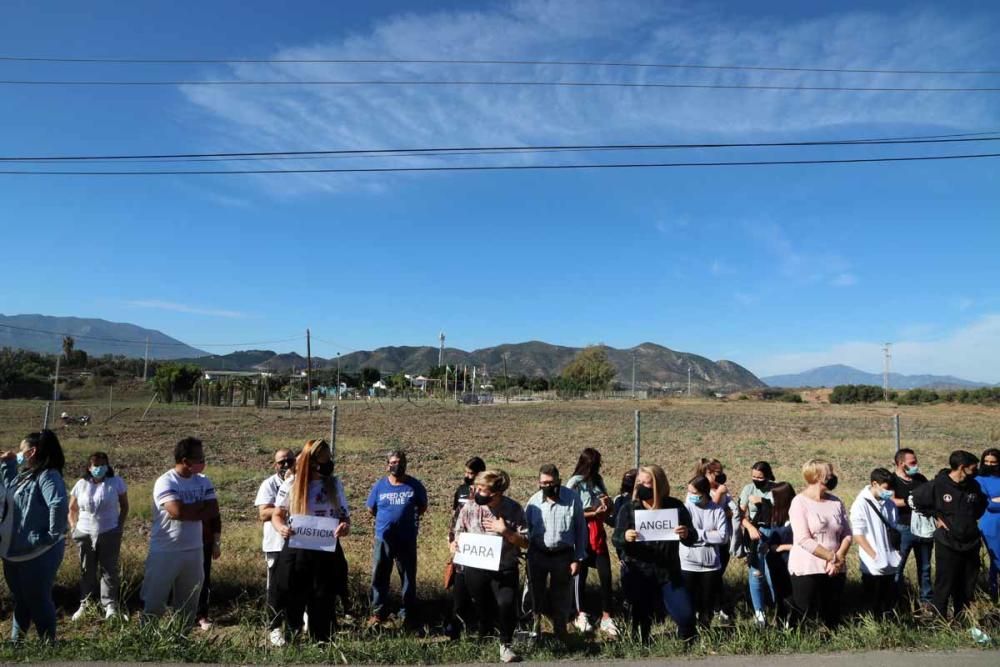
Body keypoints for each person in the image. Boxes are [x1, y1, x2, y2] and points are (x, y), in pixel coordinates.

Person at [272, 439, 351, 643]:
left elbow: (345, 517)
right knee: (293, 594)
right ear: (311, 460)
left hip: (326, 549)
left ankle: (321, 640)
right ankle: (292, 635)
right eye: (323, 458)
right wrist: (281, 527)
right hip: (298, 550)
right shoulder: (292, 483)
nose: (328, 462)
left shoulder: (334, 484)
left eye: (328, 458)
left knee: (323, 596)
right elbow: (277, 514)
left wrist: (344, 526)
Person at [612, 464, 697, 644]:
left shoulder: (675, 506)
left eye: (647, 483)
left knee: (686, 615)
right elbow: (616, 538)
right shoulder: (628, 509)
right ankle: (641, 650)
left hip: (669, 573)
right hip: (639, 572)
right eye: (639, 482)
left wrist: (686, 533)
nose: (641, 486)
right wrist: (625, 536)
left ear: (658, 484)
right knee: (640, 622)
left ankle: (688, 646)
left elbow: (692, 537)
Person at [141, 437, 219, 628]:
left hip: (194, 550)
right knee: (155, 600)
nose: (203, 462)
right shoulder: (166, 481)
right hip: (166, 551)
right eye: (199, 458)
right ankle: (146, 639)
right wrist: (198, 508)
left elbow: (213, 510)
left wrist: (189, 510)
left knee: (189, 602)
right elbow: (177, 512)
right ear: (185, 461)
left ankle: (180, 639)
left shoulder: (203, 480)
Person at [452, 469, 528, 663]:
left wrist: (506, 532)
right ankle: (484, 638)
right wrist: (455, 544)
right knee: (483, 607)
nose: (477, 492)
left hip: (505, 568)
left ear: (496, 493)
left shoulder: (514, 509)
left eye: (482, 490)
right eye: (477, 488)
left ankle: (505, 645)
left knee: (506, 604)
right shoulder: (469, 507)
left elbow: (526, 542)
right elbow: (458, 532)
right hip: (476, 567)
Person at [1, 430, 68, 641]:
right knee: (21, 599)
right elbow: (9, 490)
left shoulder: (48, 475)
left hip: (38, 551)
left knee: (37, 598)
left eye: (21, 450)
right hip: (13, 551)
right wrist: (9, 464)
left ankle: (48, 644)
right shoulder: (25, 476)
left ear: (32, 452)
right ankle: (16, 642)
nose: (19, 453)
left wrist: (49, 535)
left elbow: (57, 503)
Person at [912, 450, 988, 619]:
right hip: (947, 542)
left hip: (970, 542)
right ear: (962, 467)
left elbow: (981, 505)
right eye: (973, 468)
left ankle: (962, 619)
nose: (976, 471)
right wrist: (936, 516)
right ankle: (939, 620)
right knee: (944, 584)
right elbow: (916, 500)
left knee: (967, 584)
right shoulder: (938, 485)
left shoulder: (973, 486)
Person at [366, 449, 428, 629]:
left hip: (406, 538)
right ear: (387, 465)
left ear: (406, 464)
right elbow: (371, 509)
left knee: (408, 577)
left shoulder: (414, 485)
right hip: (384, 538)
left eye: (400, 462)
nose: (396, 465)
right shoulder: (380, 486)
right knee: (379, 575)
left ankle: (407, 613)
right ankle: (378, 612)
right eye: (393, 462)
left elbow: (422, 507)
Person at [525, 464, 587, 641]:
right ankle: (535, 632)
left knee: (561, 596)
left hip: (563, 555)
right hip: (538, 554)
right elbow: (524, 530)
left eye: (550, 482)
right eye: (543, 482)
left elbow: (581, 530)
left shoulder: (572, 499)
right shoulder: (534, 501)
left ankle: (561, 632)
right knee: (535, 594)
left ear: (559, 481)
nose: (546, 486)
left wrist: (578, 558)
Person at [788, 459, 851, 628]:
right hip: (808, 568)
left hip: (835, 568)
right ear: (817, 476)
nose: (833, 477)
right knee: (804, 613)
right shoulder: (799, 502)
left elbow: (847, 534)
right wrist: (831, 557)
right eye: (829, 474)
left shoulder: (836, 502)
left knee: (832, 613)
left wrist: (839, 557)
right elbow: (803, 539)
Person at [69, 451, 129, 621]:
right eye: (96, 465)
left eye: (103, 464)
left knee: (109, 569)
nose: (100, 468)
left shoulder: (116, 482)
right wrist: (74, 527)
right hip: (84, 532)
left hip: (109, 531)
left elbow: (124, 506)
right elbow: (72, 508)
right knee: (86, 569)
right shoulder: (81, 484)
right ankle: (85, 603)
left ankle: (109, 605)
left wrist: (119, 525)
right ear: (89, 467)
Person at [566, 448, 617, 636]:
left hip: (598, 534)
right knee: (580, 576)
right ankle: (580, 614)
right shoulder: (574, 483)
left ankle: (607, 616)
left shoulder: (598, 480)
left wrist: (607, 504)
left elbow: (607, 509)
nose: (596, 468)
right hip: (581, 534)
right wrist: (591, 513)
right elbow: (569, 512)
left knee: (605, 576)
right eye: (593, 465)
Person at [255, 447, 297, 643]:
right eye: (281, 461)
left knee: (298, 587)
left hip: (299, 545)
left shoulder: (301, 482)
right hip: (276, 544)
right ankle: (274, 627)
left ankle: (295, 625)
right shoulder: (269, 484)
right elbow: (263, 513)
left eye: (290, 460)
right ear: (275, 464)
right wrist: (284, 508)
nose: (286, 464)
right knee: (276, 589)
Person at [849, 468, 902, 617]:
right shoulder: (860, 504)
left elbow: (893, 526)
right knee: (873, 599)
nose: (890, 492)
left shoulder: (889, 504)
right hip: (873, 562)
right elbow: (858, 535)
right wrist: (874, 556)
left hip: (890, 558)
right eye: (886, 488)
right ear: (874, 484)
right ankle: (874, 623)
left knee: (888, 597)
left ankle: (887, 620)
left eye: (891, 489)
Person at [680, 475, 730, 628]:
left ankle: (705, 630)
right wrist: (710, 534)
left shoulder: (717, 511)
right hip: (688, 562)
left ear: (704, 492)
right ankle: (688, 632)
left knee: (706, 603)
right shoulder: (685, 509)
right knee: (688, 601)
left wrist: (697, 534)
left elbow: (723, 537)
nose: (691, 496)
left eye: (694, 493)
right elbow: (682, 534)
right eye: (689, 492)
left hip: (711, 564)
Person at [446, 456, 487, 639]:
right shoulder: (461, 490)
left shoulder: (487, 492)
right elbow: (455, 516)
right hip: (463, 547)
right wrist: (451, 539)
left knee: (481, 591)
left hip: (482, 548)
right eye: (466, 472)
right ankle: (455, 631)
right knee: (459, 589)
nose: (467, 476)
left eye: (471, 473)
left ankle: (483, 630)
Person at [890, 447, 933, 608]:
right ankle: (899, 600)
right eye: (912, 462)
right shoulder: (892, 480)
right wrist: (911, 501)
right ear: (901, 463)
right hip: (903, 527)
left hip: (924, 527)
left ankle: (927, 601)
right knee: (897, 566)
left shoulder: (920, 478)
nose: (916, 465)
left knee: (925, 567)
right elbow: (892, 500)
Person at [694, 458, 736, 620]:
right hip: (707, 541)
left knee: (717, 576)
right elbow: (709, 512)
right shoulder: (700, 492)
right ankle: (710, 608)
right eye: (717, 474)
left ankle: (718, 607)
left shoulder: (721, 489)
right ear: (706, 473)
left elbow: (730, 510)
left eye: (721, 472)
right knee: (710, 577)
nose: (720, 476)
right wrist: (719, 495)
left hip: (722, 540)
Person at [738, 461, 777, 625]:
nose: (756, 479)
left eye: (760, 477)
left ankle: (779, 608)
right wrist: (749, 528)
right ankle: (759, 612)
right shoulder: (748, 489)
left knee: (773, 574)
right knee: (756, 573)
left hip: (773, 534)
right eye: (753, 476)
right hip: (754, 535)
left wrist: (762, 501)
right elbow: (739, 513)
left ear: (767, 476)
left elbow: (781, 512)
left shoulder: (776, 489)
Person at [763, 481, 795, 625]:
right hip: (775, 561)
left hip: (789, 561)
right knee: (779, 594)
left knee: (789, 593)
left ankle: (792, 622)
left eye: (774, 497)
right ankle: (780, 621)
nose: (771, 500)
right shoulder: (777, 515)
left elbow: (803, 543)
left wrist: (781, 548)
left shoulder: (795, 517)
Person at [195, 489, 223, 631]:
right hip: (181, 544)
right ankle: (182, 614)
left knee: (203, 579)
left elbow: (216, 519)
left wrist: (216, 544)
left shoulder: (204, 488)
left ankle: (201, 615)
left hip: (204, 542)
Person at [977, 448, 1000, 601]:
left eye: (993, 462)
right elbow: (989, 504)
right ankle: (994, 594)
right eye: (986, 462)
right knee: (997, 558)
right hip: (991, 524)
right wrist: (994, 501)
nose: (989, 465)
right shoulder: (979, 479)